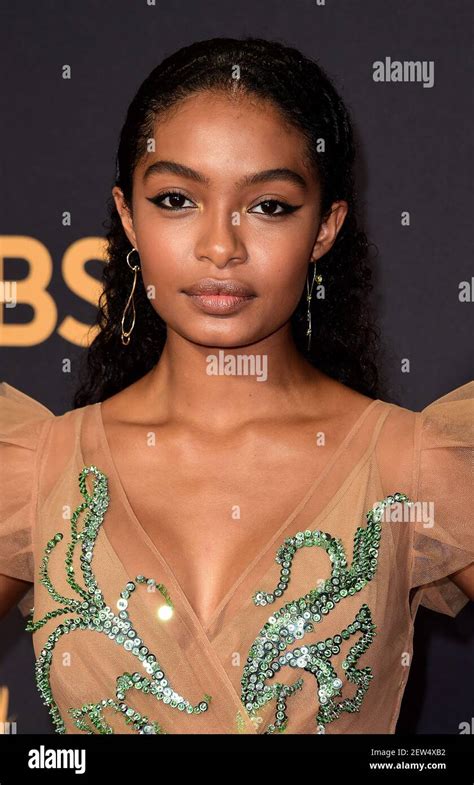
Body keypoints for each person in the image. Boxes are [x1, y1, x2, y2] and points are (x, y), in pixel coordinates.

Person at [1, 37, 473, 735]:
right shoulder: (34, 471)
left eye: (270, 206)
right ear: (129, 216)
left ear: (325, 228)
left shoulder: (411, 465)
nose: (220, 246)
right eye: (175, 199)